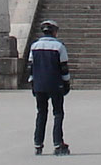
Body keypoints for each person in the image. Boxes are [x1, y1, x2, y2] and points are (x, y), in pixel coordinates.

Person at [26, 19, 70, 155]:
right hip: (55, 84)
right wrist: (66, 83)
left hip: (39, 84)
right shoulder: (59, 46)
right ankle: (58, 143)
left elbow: (31, 67)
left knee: (41, 113)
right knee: (58, 113)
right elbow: (64, 68)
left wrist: (32, 82)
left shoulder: (34, 46)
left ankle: (38, 143)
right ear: (55, 32)